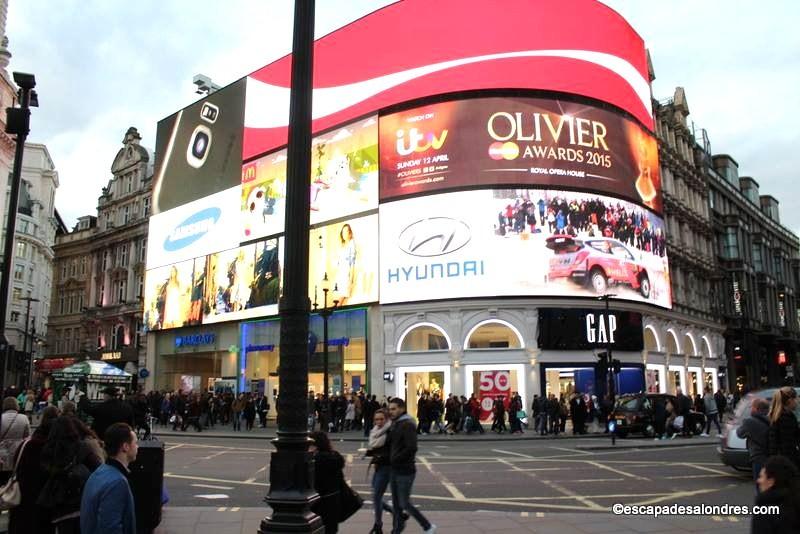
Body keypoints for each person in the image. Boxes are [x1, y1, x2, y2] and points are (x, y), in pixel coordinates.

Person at [39, 416, 104, 534]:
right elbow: (99, 470)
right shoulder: (81, 447)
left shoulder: (48, 451)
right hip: (80, 500)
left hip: (59, 504)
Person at [387, 398, 437, 534]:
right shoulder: (395, 424)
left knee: (404, 503)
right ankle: (397, 530)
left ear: (402, 409)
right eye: (389, 409)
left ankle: (427, 526)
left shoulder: (407, 424)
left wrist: (396, 459)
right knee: (396, 504)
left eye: (394, 409)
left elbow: (411, 447)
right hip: (394, 469)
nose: (391, 411)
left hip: (405, 470)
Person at [8, 405, 59, 534]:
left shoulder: (27, 445)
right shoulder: (56, 448)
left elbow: (17, 465)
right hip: (45, 504)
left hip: (23, 501)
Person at [80, 423, 138, 534]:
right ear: (125, 447)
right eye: (135, 443)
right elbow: (110, 528)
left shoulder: (99, 472)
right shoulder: (117, 483)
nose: (137, 446)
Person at [365, 409, 403, 534]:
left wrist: (379, 457)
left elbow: (392, 450)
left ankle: (378, 525)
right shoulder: (375, 432)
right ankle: (393, 513)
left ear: (386, 419)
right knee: (375, 495)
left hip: (388, 467)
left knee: (376, 496)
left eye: (381, 419)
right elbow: (375, 447)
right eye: (377, 419)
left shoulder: (390, 431)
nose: (379, 422)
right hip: (379, 466)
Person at [308, 431, 346, 533]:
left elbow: (312, 482)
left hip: (320, 502)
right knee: (331, 529)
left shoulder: (315, 461)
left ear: (315, 446)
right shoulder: (335, 457)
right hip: (334, 499)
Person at [751, 455, 800, 533]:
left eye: (761, 477)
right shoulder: (795, 503)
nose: (758, 481)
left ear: (771, 481)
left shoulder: (765, 509)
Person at [737, 397, 770, 489]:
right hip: (771, 456)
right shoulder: (772, 419)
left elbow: (739, 433)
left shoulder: (750, 421)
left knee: (760, 487)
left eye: (752, 407)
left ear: (755, 408)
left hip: (758, 457)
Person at [0, 396, 31, 485]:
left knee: (2, 478)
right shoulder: (24, 418)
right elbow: (27, 436)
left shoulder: (2, 418)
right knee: (14, 479)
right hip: (18, 452)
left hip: (2, 452)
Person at [767, 386, 800, 468]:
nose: (798, 401)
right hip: (787, 463)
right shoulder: (786, 418)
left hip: (780, 461)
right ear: (790, 401)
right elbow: (788, 446)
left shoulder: (778, 416)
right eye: (796, 398)